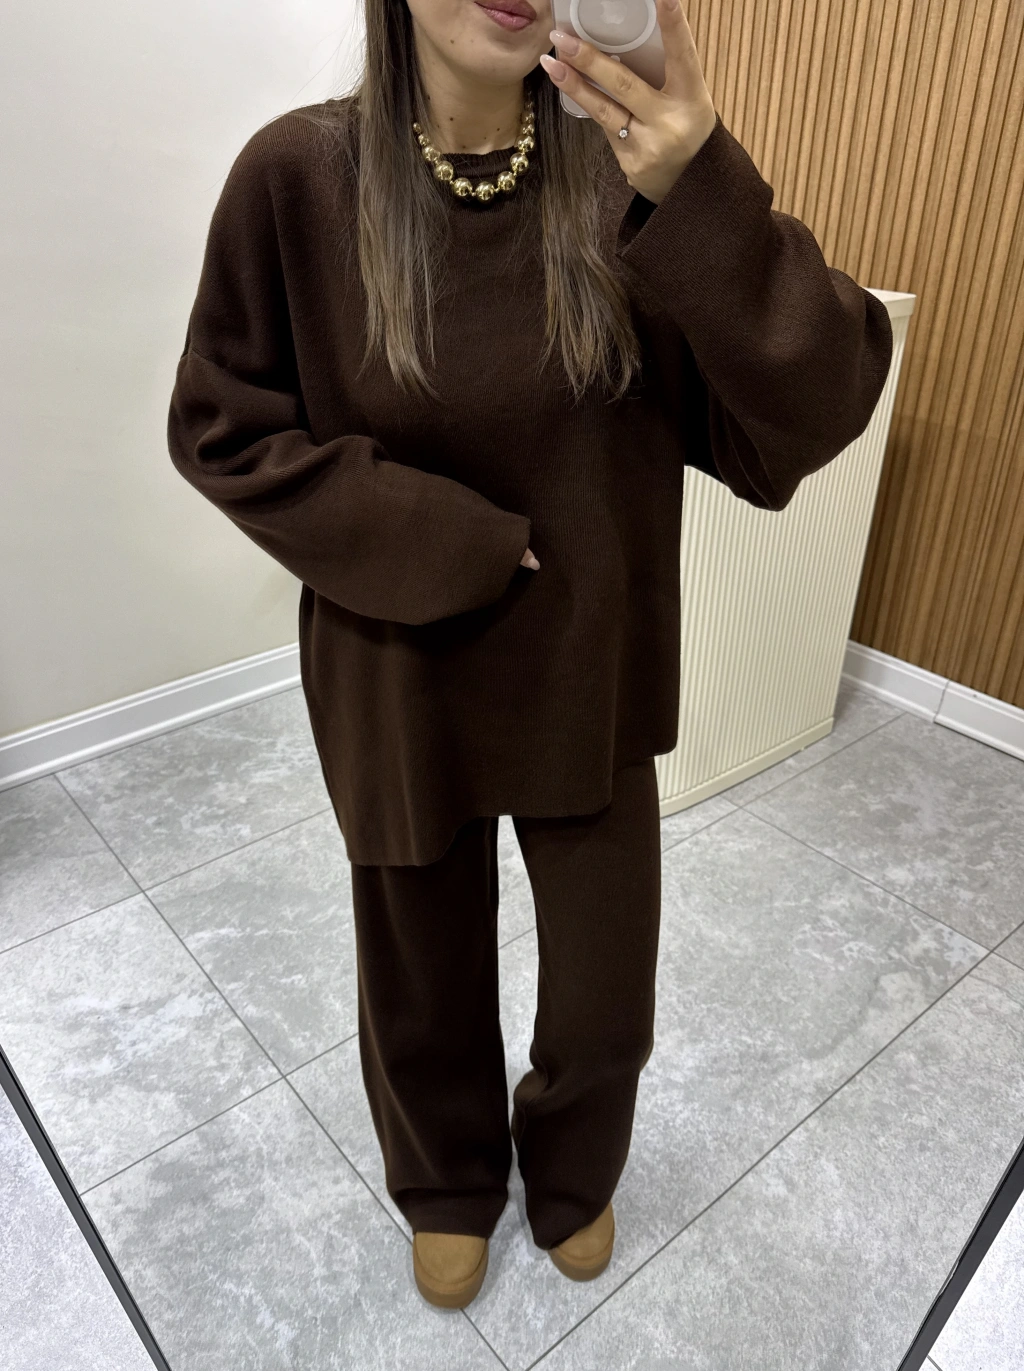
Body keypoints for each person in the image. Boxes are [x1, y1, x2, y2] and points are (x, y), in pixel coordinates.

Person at [167, 0, 893, 1311]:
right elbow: (225, 429)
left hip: (589, 670)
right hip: (399, 670)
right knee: (421, 974)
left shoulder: (626, 185)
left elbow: (818, 402)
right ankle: (446, 1179)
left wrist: (703, 191)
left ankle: (575, 1163)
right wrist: (455, 541)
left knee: (605, 995)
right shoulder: (298, 180)